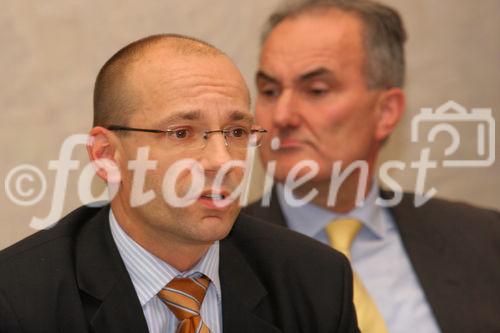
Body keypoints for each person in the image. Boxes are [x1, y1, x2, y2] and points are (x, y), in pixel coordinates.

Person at [0, 34, 359, 333]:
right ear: (107, 155)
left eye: (236, 132)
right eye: (183, 133)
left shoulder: (315, 281)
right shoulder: (18, 300)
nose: (222, 160)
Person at [243, 1, 500, 332]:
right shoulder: (220, 255)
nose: (282, 116)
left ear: (386, 112)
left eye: (316, 90)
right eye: (269, 91)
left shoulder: (481, 238)